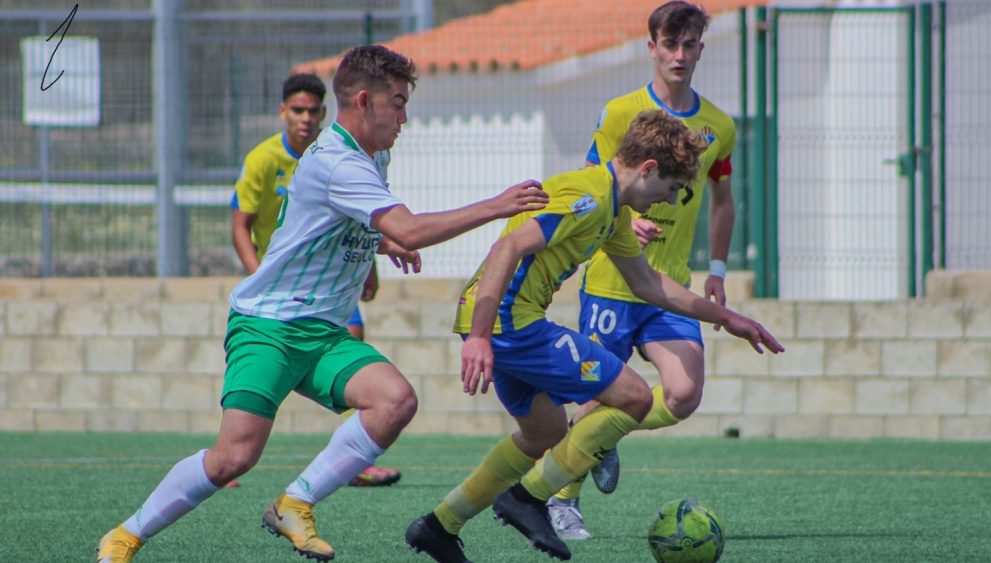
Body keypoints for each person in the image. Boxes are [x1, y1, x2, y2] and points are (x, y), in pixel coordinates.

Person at [96, 44, 548, 563]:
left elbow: (347, 221)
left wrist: (383, 244)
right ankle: (125, 536)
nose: (405, 117)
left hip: (323, 331)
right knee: (232, 458)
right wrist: (496, 206)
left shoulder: (374, 154)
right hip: (268, 325)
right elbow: (409, 225)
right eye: (398, 103)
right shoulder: (338, 160)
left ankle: (296, 501)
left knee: (394, 400)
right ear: (362, 101)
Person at [404, 109, 783, 562]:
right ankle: (526, 500)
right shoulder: (588, 196)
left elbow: (648, 284)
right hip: (509, 322)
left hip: (506, 323)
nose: (669, 199)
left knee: (543, 431)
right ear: (648, 169)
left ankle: (439, 525)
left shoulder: (613, 212)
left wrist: (728, 316)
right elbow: (507, 246)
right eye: (671, 188)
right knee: (635, 396)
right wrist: (480, 336)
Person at [547, 1, 739, 540]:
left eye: (690, 44)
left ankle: (605, 439)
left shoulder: (718, 127)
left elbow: (724, 201)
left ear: (701, 48)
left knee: (683, 393)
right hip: (613, 280)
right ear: (651, 47)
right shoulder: (618, 113)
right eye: (669, 44)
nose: (679, 54)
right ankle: (562, 500)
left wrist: (718, 267)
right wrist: (624, 225)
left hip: (670, 285)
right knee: (591, 397)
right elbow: (594, 183)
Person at [230, 72, 400, 489]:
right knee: (236, 449)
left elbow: (363, 218)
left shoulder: (360, 155)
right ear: (282, 112)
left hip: (331, 281)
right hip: (277, 296)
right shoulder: (265, 159)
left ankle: (352, 458)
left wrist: (370, 265)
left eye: (312, 111)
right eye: (297, 110)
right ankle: (225, 459)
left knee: (366, 356)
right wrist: (260, 276)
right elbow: (240, 225)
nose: (305, 119)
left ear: (325, 112)